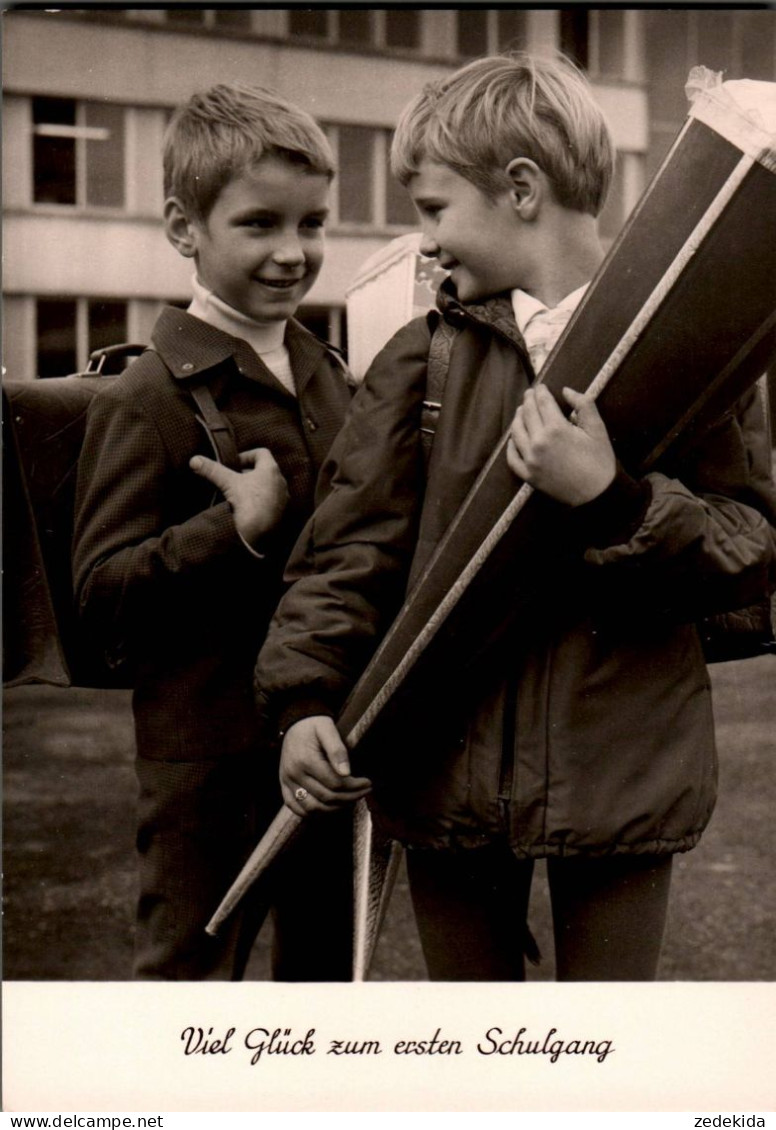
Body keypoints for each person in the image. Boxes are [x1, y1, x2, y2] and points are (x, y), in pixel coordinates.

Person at [252, 53, 776, 982]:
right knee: (477, 1060)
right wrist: (303, 701)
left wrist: (612, 501)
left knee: (605, 1062)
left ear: (522, 189)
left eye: (434, 208)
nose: (422, 243)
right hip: (445, 774)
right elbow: (346, 550)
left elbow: (749, 547)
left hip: (622, 782)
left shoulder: (691, 347)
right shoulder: (423, 361)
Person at [72, 83, 357, 981]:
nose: (292, 253)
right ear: (182, 227)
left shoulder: (332, 374)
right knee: (186, 998)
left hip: (330, 742)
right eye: (259, 224)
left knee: (323, 989)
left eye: (311, 225)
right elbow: (99, 599)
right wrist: (231, 533)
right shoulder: (145, 396)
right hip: (205, 768)